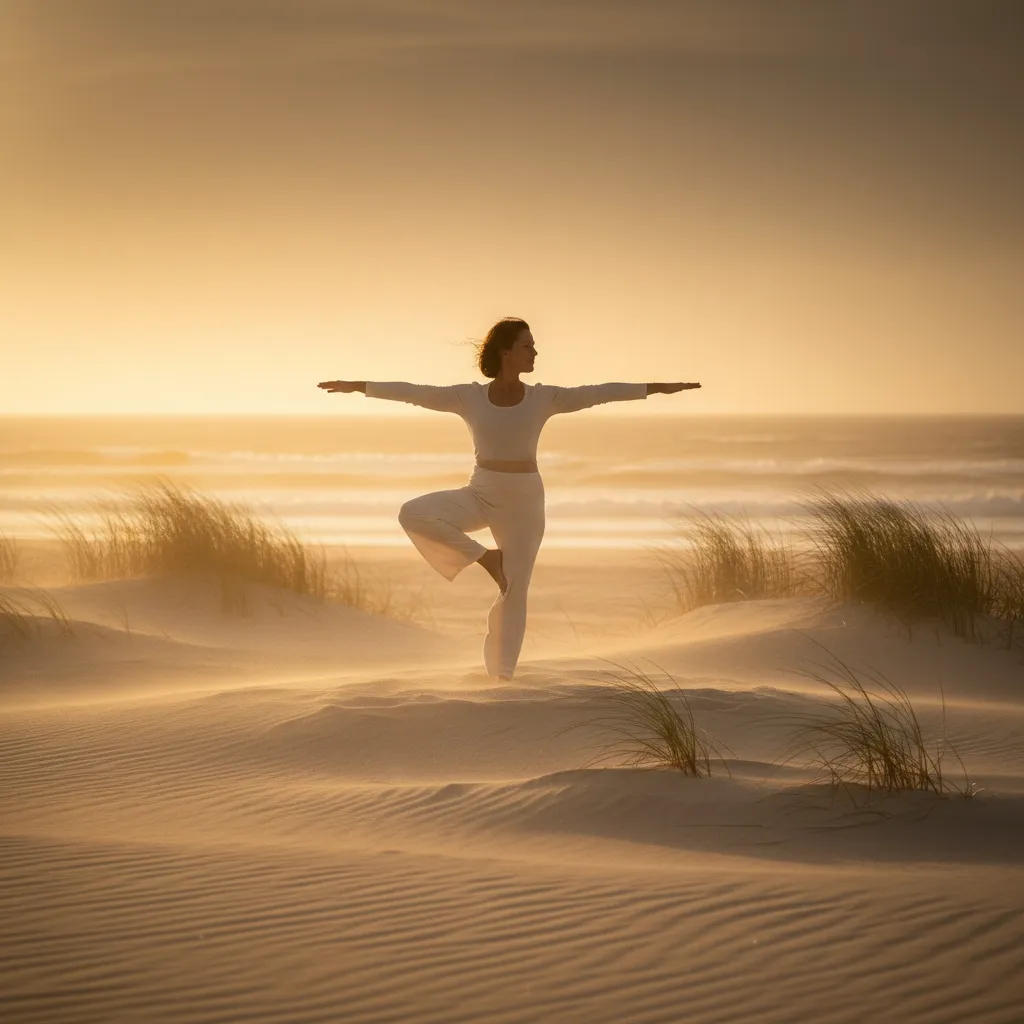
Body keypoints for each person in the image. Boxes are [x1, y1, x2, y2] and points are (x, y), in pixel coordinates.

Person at [317, 317, 700, 679]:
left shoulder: (544, 398)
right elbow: (415, 393)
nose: (535, 352)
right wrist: (359, 386)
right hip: (481, 491)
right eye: (527, 346)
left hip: (524, 503)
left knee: (514, 590)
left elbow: (599, 394)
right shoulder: (468, 397)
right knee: (413, 513)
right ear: (506, 352)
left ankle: (501, 674)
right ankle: (485, 558)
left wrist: (655, 388)